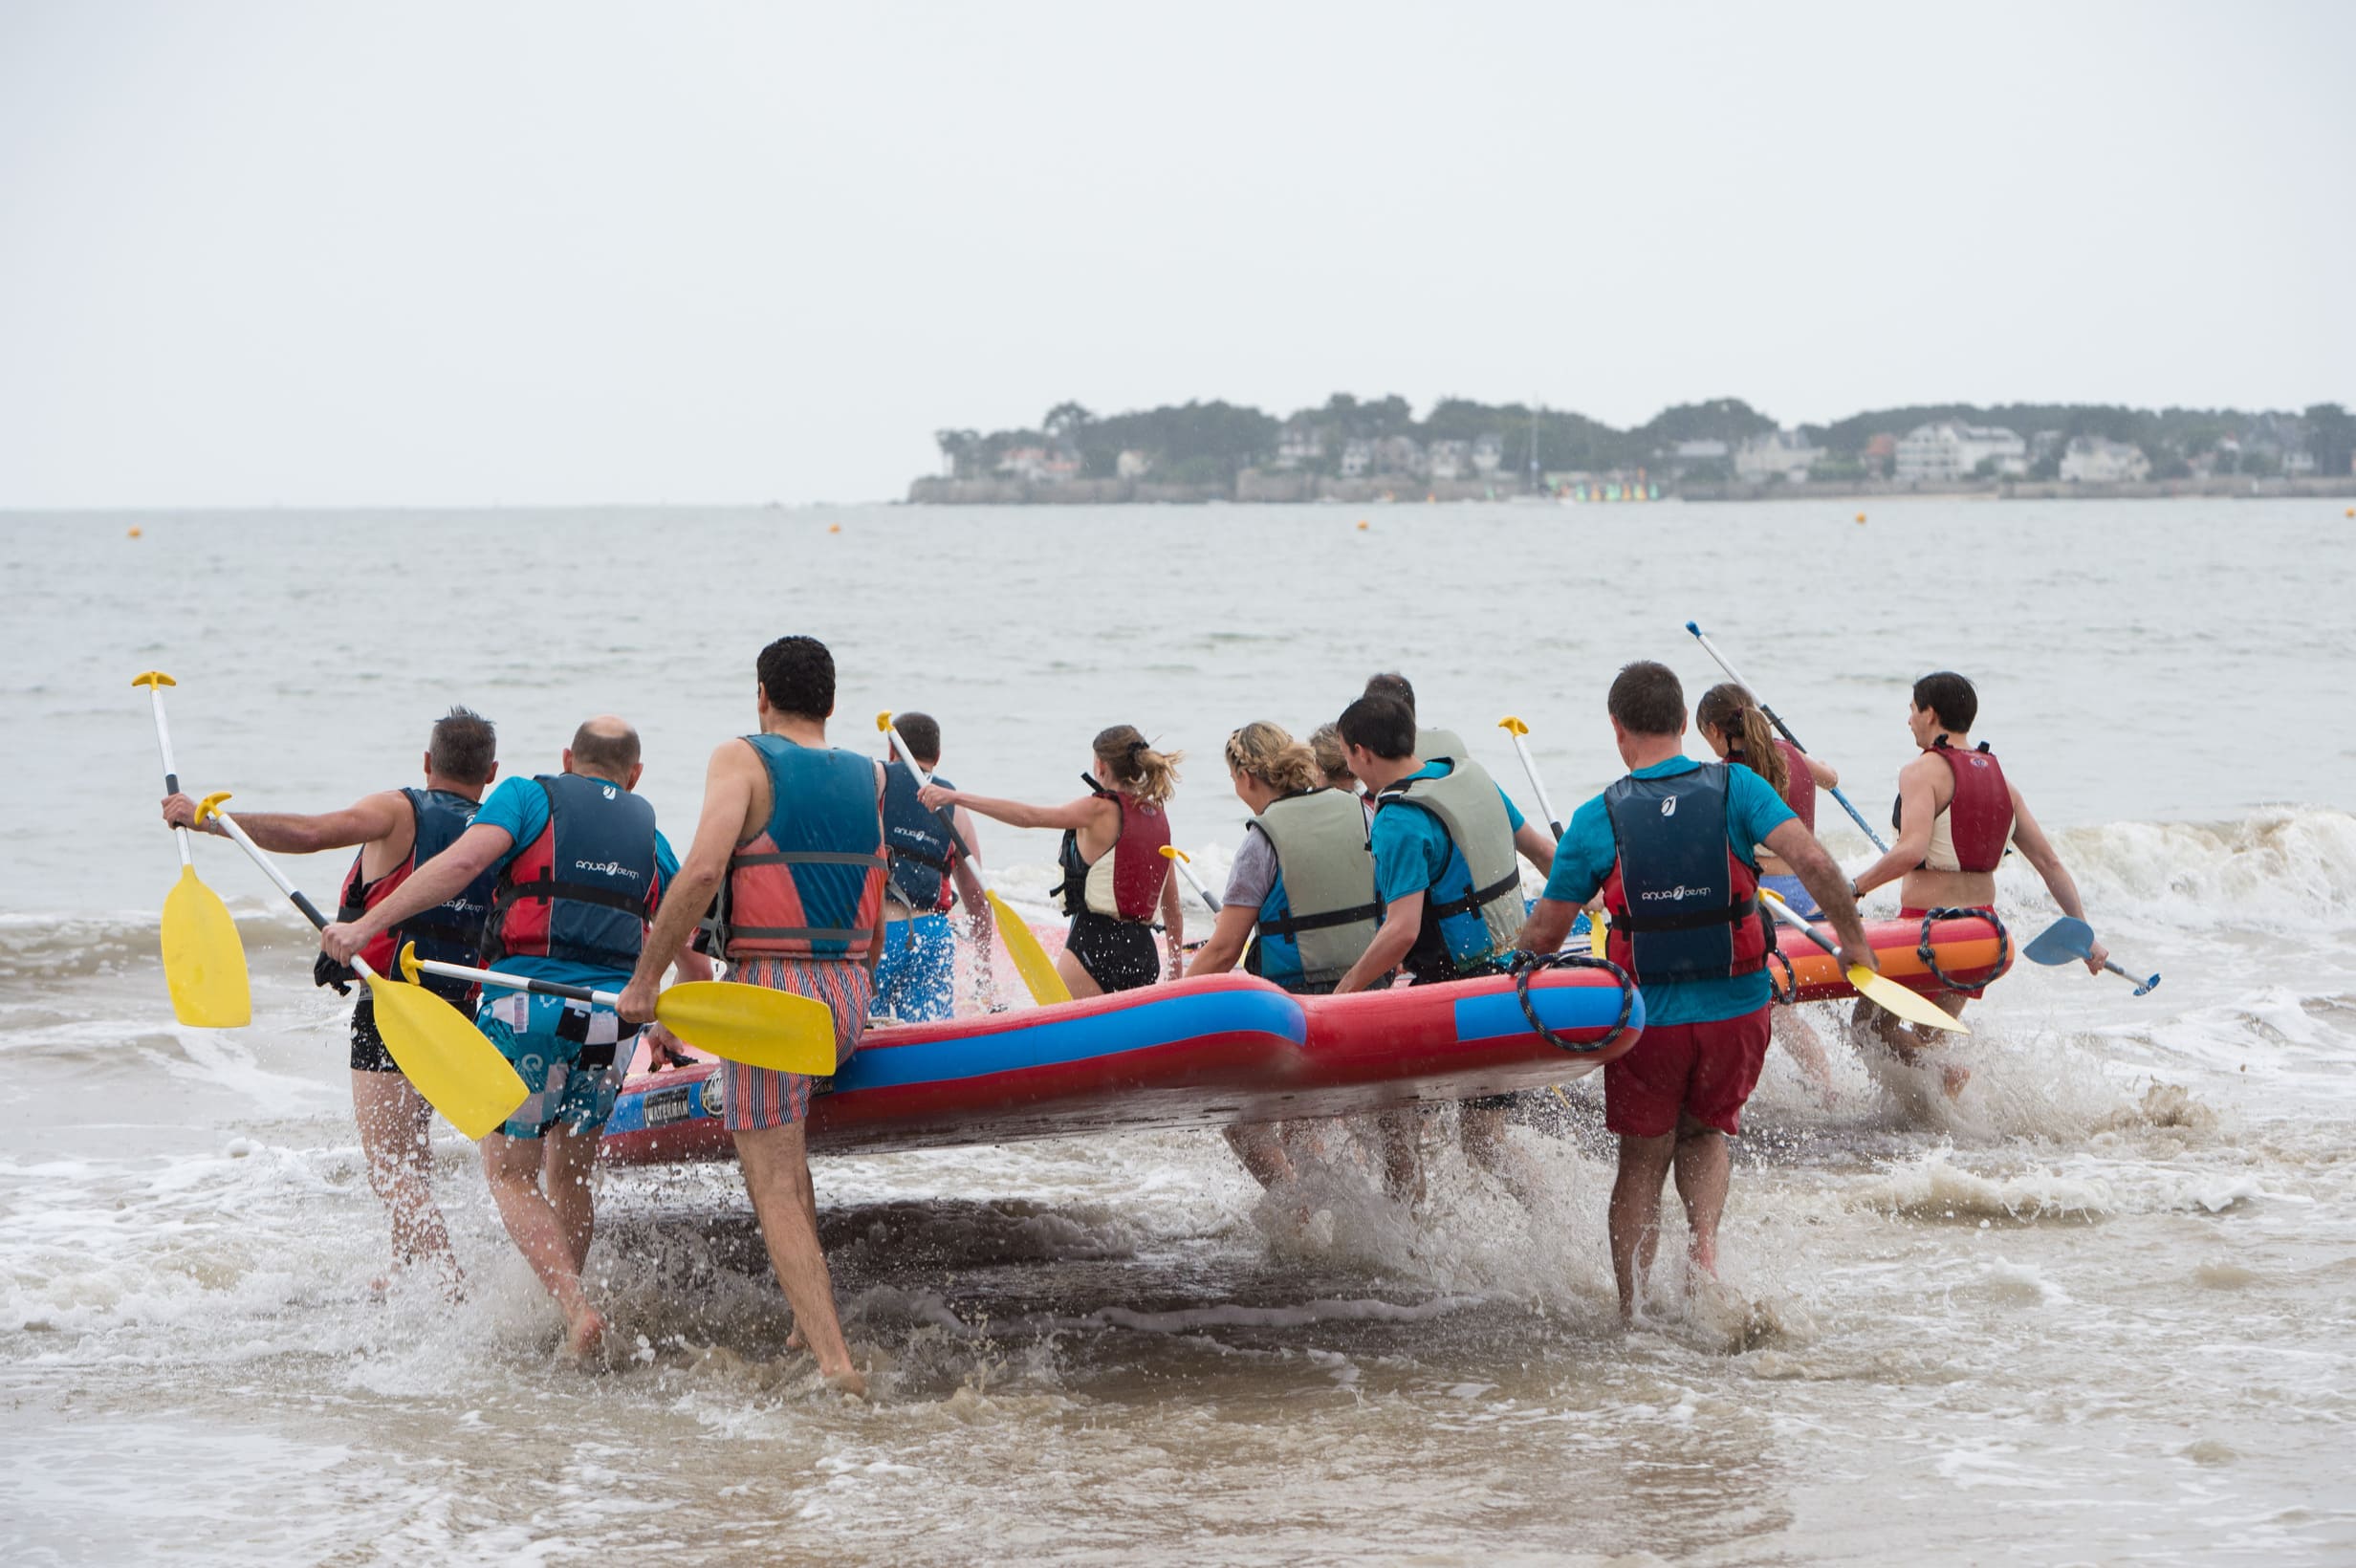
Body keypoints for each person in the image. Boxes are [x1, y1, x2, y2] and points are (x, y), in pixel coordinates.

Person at [322, 715, 701, 1359]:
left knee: (509, 1172)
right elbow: (685, 948)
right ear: (634, 774)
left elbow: (463, 861)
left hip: (531, 1011)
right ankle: (561, 1311)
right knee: (572, 1175)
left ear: (566, 758)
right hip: (613, 1022)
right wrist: (667, 1022)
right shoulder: (652, 836)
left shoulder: (525, 795)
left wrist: (365, 926)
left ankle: (575, 1309)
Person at [1516, 662, 1873, 1324]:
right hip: (1738, 1008)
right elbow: (1817, 862)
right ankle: (1703, 1257)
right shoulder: (1739, 787)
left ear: (1618, 731)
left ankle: (1632, 1310)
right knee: (1706, 1134)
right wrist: (1855, 945)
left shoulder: (1600, 815)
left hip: (1648, 1018)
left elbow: (1546, 928)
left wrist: (1510, 972)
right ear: (1684, 724)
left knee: (1643, 1158)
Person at [616, 637, 887, 1395]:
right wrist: (857, 992)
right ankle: (806, 1327)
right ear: (830, 703)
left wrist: (646, 981)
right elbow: (878, 899)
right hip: (846, 994)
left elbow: (702, 870)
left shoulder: (742, 757)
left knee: (768, 1180)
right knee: (789, 1161)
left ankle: (838, 1366)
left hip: (773, 991)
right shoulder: (871, 775)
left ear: (762, 694)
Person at [163, 707, 502, 1292]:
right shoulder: (501, 826)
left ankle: (450, 1285)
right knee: (412, 1150)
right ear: (491, 771)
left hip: (393, 1006)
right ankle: (400, 1272)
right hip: (464, 1006)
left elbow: (312, 833)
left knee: (391, 1165)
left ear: (427, 762)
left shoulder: (400, 811)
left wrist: (209, 819)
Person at [1331, 695, 1556, 1203]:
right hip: (1514, 977)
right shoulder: (1472, 778)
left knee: (1394, 1121)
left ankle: (1406, 1238)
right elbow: (1546, 855)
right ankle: (1553, 1215)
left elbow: (1402, 932)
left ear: (1363, 753)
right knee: (1482, 1141)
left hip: (1454, 996)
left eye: (1346, 755)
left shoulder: (1397, 819)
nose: (1349, 767)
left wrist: (1345, 992)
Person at [1843, 670, 2109, 1088]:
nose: (1909, 719)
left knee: (1867, 1028)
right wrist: (2084, 932)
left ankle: (1952, 1075)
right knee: (1928, 1039)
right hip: (1982, 936)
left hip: (1928, 932)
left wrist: (1854, 888)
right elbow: (2050, 863)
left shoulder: (1921, 772)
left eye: (1912, 710)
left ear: (1930, 714)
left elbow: (1911, 850)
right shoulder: (2004, 782)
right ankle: (1942, 1128)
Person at [1186, 722, 1382, 1187]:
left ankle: (1298, 1208)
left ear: (1245, 778)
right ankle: (1356, 1204)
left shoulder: (1259, 842)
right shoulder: (1363, 813)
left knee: (1239, 1119)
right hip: (1370, 993)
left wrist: (1171, 996)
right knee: (1309, 1118)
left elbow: (1222, 951)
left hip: (1299, 1008)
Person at [921, 727, 1185, 999]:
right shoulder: (1157, 816)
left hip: (1093, 948)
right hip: (1143, 955)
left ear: (1100, 766)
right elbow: (1172, 910)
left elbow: (1028, 816)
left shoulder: (1097, 809)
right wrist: (1175, 973)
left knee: (1072, 1038)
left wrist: (955, 797)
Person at [1695, 682, 1841, 1099]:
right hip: (1808, 896)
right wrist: (1805, 758)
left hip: (1770, 902)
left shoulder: (1727, 774)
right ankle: (1825, 1076)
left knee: (1777, 1007)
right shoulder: (1793, 755)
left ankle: (1822, 1084)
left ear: (1714, 730)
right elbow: (1831, 778)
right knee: (1800, 1000)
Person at [876, 712, 995, 1022]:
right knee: (923, 1037)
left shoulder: (878, 782)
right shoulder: (955, 812)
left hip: (879, 934)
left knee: (866, 1031)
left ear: (892, 751)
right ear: (937, 757)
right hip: (931, 937)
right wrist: (984, 967)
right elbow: (977, 899)